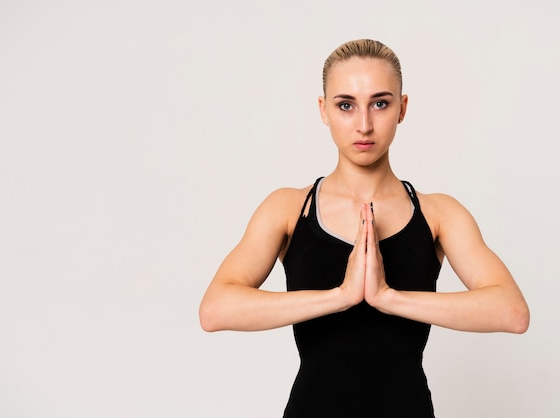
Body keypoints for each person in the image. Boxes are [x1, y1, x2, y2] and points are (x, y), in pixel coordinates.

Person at [199, 39, 530, 417]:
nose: (364, 124)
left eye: (380, 103)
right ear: (323, 110)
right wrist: (340, 296)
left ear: (402, 108)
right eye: (346, 105)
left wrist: (388, 297)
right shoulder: (289, 209)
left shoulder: (439, 214)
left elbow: (511, 312)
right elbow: (216, 309)